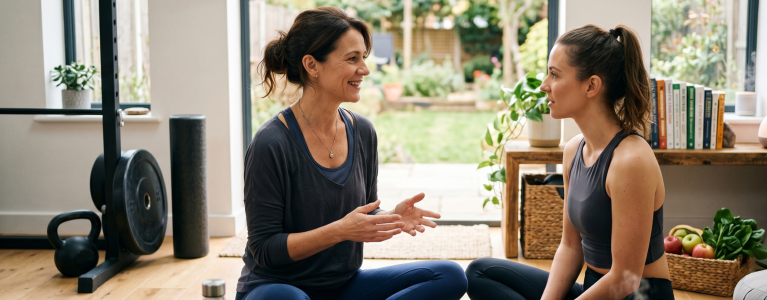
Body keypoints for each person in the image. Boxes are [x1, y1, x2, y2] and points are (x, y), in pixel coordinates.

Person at [236, 7, 467, 300]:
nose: (365, 70)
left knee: (449, 275)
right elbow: (264, 249)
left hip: (343, 286)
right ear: (312, 65)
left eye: (363, 58)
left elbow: (365, 211)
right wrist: (340, 231)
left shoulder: (362, 131)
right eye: (352, 59)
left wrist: (391, 217)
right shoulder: (271, 143)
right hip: (277, 288)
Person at [465, 24, 674, 300]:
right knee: (480, 272)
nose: (544, 85)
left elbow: (625, 279)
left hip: (638, 295)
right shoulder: (574, 150)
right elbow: (571, 247)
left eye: (554, 74)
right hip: (594, 288)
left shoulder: (630, 161)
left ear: (591, 85)